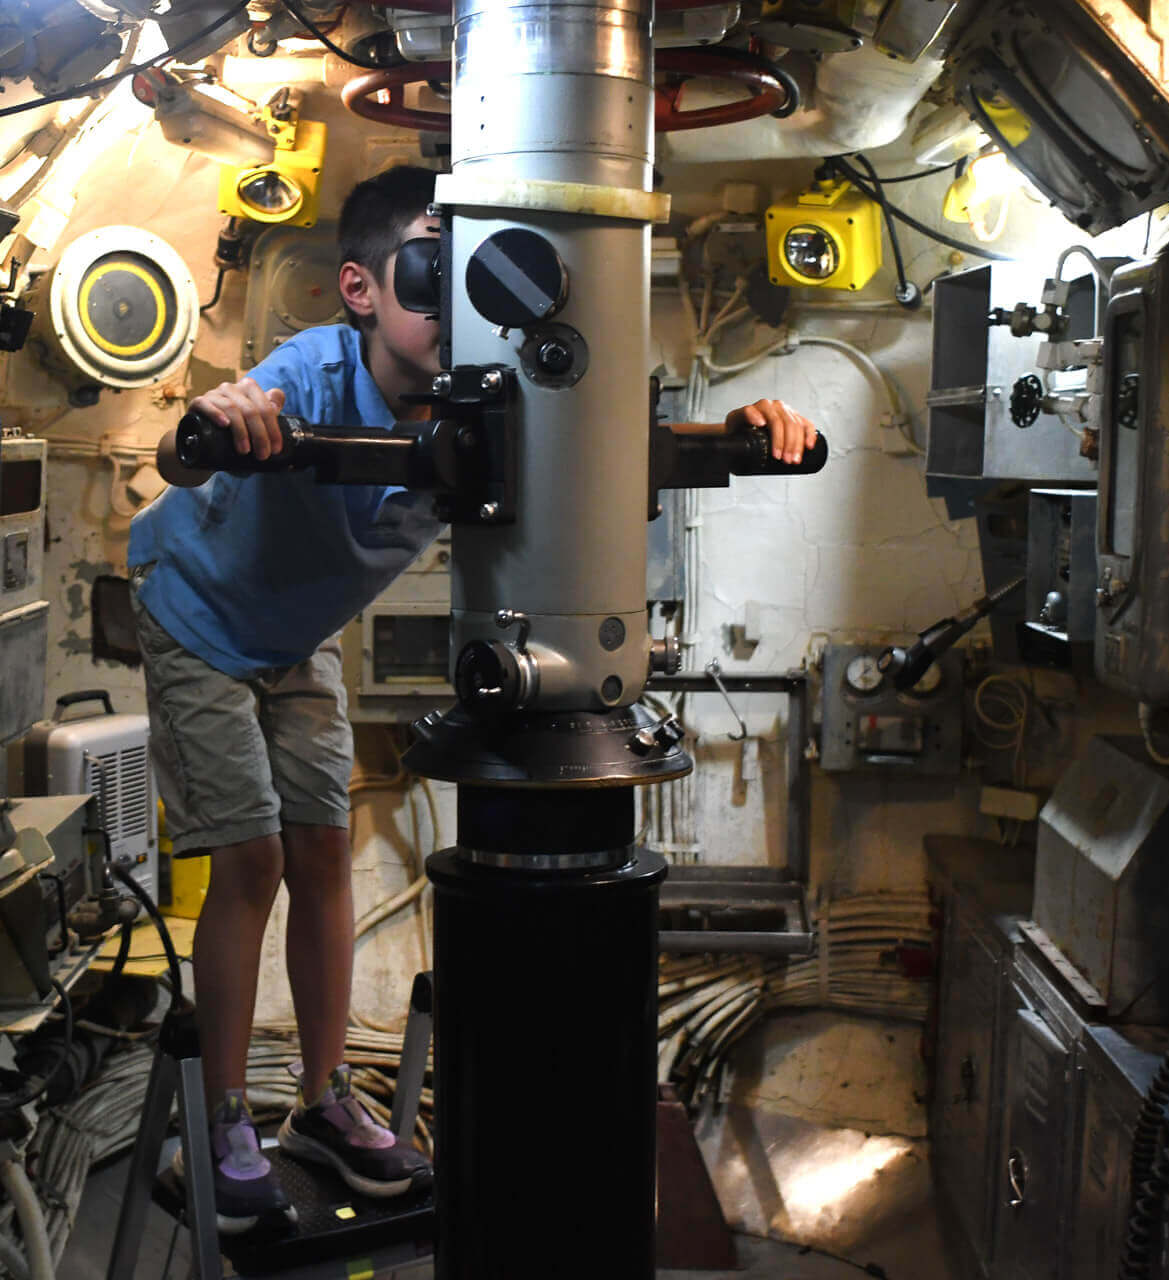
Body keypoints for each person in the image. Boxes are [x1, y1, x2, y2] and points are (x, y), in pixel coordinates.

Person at [127, 164, 818, 1232]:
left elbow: (614, 453)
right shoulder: (309, 376)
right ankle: (226, 1117)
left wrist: (752, 425)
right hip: (198, 618)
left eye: (471, 275)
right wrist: (215, 416)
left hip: (295, 642)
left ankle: (319, 1101)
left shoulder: (484, 398)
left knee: (321, 848)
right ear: (361, 289)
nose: (452, 297)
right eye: (426, 270)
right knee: (254, 857)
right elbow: (199, 441)